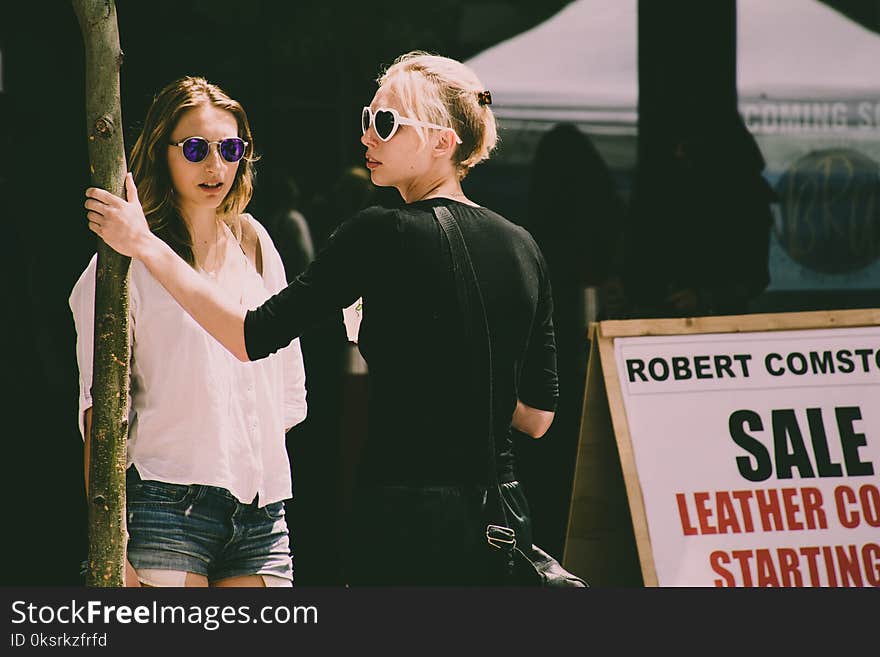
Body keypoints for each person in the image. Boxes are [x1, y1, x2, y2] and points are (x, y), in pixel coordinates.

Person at [84, 52, 558, 586]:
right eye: (366, 119)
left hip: (403, 513)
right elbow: (536, 417)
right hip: (499, 516)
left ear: (441, 143)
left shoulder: (381, 233)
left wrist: (145, 245)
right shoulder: (525, 247)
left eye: (385, 123)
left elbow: (251, 334)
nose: (366, 139)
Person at [71, 76, 307, 587]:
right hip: (164, 504)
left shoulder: (256, 243)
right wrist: (111, 545)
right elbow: (100, 414)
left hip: (261, 512)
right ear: (162, 152)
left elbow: (287, 388)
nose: (215, 166)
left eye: (229, 148)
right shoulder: (118, 263)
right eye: (196, 148)